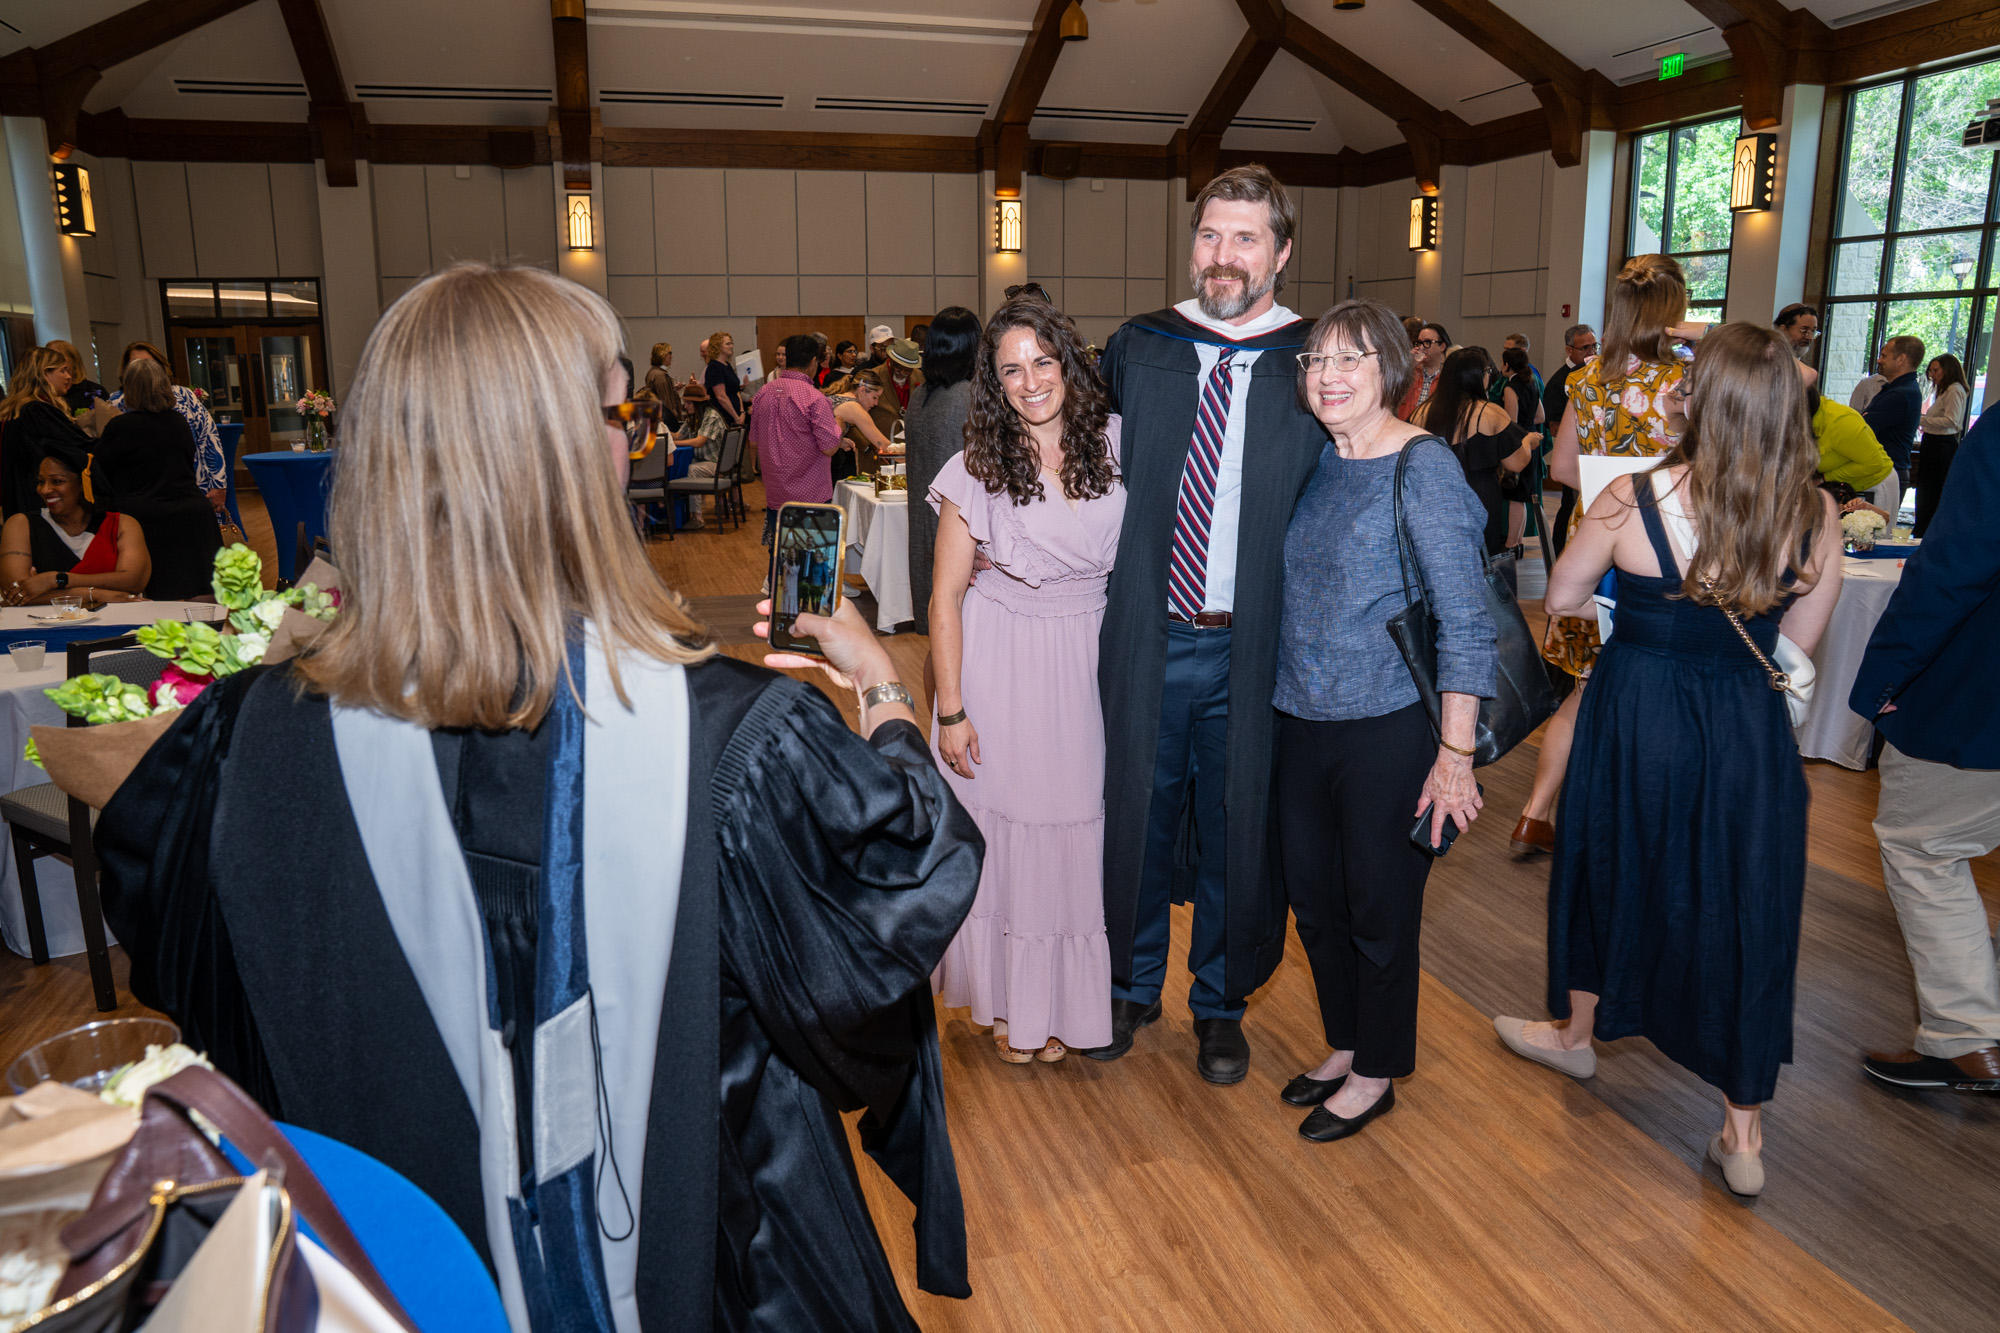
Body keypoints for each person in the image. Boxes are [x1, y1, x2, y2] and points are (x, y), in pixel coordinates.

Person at [94, 262, 979, 1331]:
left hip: (362, 1270)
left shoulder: (241, 737)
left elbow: (189, 964)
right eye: (614, 412)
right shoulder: (722, 738)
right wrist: (883, 689)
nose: (625, 438)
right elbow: (887, 908)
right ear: (554, 454)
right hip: (706, 1259)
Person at [1495, 321, 1843, 1198]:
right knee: (1745, 904)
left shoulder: (1632, 497)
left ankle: (1576, 1037)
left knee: (1607, 865)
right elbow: (1797, 649)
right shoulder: (1814, 513)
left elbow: (1563, 597)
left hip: (1638, 711)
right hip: (1745, 727)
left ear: (1701, 402)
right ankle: (1743, 1132)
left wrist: (1634, 626)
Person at [1090, 164, 1325, 1083]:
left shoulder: (1314, 362)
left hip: (1255, 640)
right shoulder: (1140, 346)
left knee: (1240, 822)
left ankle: (1221, 1002)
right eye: (1210, 235)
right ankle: (1129, 982)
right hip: (1146, 629)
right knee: (1135, 813)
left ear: (1282, 252)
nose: (1223, 256)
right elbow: (1081, 470)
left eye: (1245, 238)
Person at [1277, 299, 1496, 1142]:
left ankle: (1377, 1070)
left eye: (1351, 360)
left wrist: (1455, 753)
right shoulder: (1319, 459)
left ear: (1392, 370)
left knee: (1379, 907)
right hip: (1300, 716)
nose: (1328, 376)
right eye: (1316, 361)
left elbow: (1466, 619)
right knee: (1314, 902)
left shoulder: (1423, 465)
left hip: (1389, 727)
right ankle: (1346, 1040)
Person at [927, 297, 1121, 1064]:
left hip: (1089, 657)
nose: (1031, 380)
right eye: (1011, 369)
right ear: (994, 383)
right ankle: (1012, 1003)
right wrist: (951, 709)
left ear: (1068, 364)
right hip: (1001, 655)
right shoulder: (976, 465)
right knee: (1007, 833)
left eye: (1043, 361)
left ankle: (1060, 1002)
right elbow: (944, 595)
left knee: (1074, 828)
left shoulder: (1120, 443)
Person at [1511, 255, 1689, 857]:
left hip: (1597, 538)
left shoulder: (1587, 379)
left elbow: (1561, 469)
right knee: (1658, 688)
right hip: (1667, 539)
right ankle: (1627, 830)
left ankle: (1536, 812)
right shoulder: (1687, 379)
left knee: (1587, 685)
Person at [1851, 401, 2000, 1094]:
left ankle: (1965, 1036)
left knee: (1923, 845)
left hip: (1979, 693)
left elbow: (1956, 566)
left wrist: (1885, 676)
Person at [89, 358, 221, 599]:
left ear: (130, 390)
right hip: (192, 513)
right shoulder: (178, 422)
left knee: (158, 601)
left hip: (145, 519)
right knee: (203, 597)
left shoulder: (121, 427)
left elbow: (97, 471)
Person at [1416, 348, 1534, 586]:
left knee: (1438, 563)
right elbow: (1516, 463)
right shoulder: (1490, 412)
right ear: (1478, 376)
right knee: (1480, 567)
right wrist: (1528, 442)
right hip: (1479, 496)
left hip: (1433, 496)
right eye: (1487, 371)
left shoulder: (1422, 412)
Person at [904, 307, 980, 636]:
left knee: (940, 638)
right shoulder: (968, 396)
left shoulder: (921, 395)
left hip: (925, 532)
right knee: (961, 638)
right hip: (961, 539)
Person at [0, 443, 152, 606]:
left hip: (117, 619)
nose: (45, 490)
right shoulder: (21, 524)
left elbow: (133, 582)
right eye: (41, 481)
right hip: (43, 621)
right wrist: (95, 594)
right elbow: (15, 593)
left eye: (57, 481)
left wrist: (55, 580)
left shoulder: (121, 524)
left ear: (83, 483)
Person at [113, 342, 229, 515]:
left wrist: (218, 485)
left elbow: (209, 439)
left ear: (161, 367)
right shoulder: (116, 403)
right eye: (135, 364)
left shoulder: (184, 396)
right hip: (140, 498)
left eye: (149, 363)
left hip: (192, 490)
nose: (144, 369)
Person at [752, 334, 842, 546]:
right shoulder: (814, 398)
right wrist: (839, 423)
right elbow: (830, 447)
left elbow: (754, 440)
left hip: (776, 493)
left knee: (780, 553)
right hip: (810, 497)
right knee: (813, 556)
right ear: (813, 362)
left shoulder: (763, 393)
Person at [0, 347, 92, 519]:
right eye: (63, 370)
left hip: (19, 499)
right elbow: (78, 446)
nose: (69, 376)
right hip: (41, 499)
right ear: (44, 374)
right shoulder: (37, 410)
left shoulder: (14, 409)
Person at [1541, 324, 1598, 558]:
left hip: (1593, 454)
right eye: (1585, 348)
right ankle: (1560, 554)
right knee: (1570, 505)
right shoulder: (1559, 382)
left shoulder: (1597, 373)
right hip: (1574, 455)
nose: (1592, 351)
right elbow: (1554, 427)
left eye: (1594, 346)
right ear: (1569, 350)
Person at [1861, 333, 1923, 501]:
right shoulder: (1897, 389)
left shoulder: (1901, 394)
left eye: (1884, 356)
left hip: (1887, 474)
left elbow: (1863, 428)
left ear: (1901, 359)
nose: (1879, 360)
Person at [1914, 352, 1967, 538]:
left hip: (1942, 446)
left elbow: (1953, 421)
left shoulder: (1954, 389)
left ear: (1948, 370)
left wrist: (1921, 420)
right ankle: (1922, 530)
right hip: (1933, 443)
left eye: (1936, 371)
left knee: (1933, 492)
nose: (1932, 375)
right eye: (1930, 371)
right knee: (1926, 492)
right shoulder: (1944, 390)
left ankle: (1927, 532)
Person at [1812, 386, 1894, 498]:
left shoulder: (1840, 420)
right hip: (1840, 488)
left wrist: (1824, 479)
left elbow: (1873, 464)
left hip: (1874, 484)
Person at [824, 368, 896, 482]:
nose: (876, 403)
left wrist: (840, 441)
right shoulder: (853, 407)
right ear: (862, 391)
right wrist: (909, 457)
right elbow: (884, 445)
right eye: (875, 397)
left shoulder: (842, 398)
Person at [870, 338, 924, 442]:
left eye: (907, 370)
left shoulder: (920, 376)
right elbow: (855, 415)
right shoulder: (873, 376)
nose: (902, 373)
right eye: (898, 367)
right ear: (891, 360)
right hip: (879, 444)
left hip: (910, 444)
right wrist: (867, 446)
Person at [1397, 322, 1448, 421]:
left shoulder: (1449, 375)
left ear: (1442, 346)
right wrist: (1409, 367)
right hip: (1406, 426)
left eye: (1427, 342)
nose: (1421, 347)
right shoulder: (1411, 371)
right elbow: (1392, 397)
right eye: (1420, 343)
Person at [46, 339, 108, 412]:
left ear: (74, 361)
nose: (54, 362)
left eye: (59, 357)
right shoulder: (46, 395)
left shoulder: (94, 390)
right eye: (50, 359)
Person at [644, 342, 686, 431]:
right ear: (662, 355)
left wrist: (674, 389)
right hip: (667, 421)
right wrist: (674, 418)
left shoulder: (654, 372)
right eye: (669, 353)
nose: (671, 356)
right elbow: (666, 402)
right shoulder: (660, 375)